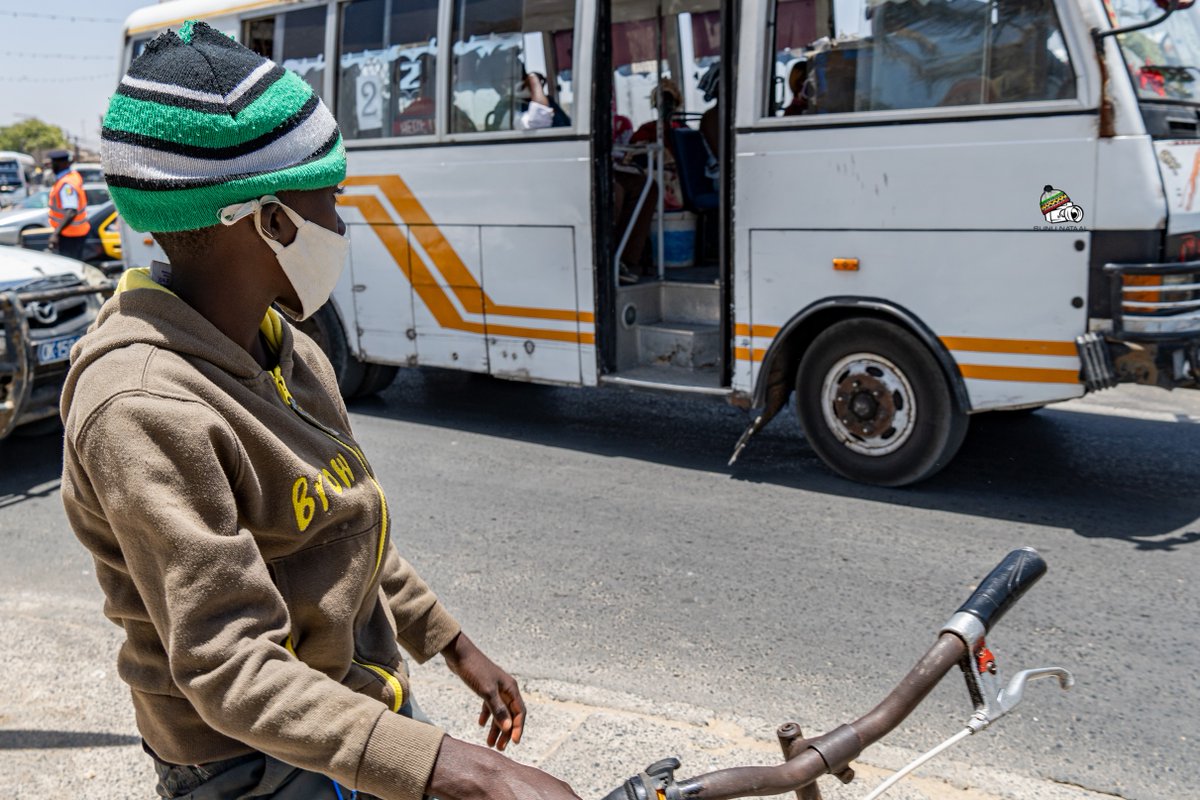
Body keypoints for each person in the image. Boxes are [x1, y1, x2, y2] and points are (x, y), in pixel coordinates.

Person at [60, 21, 580, 800]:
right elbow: (229, 666)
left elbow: (338, 526)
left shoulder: (289, 348)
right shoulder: (143, 408)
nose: (340, 225)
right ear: (269, 221)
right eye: (329, 201)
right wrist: (466, 770)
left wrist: (451, 644)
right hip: (249, 763)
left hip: (346, 710)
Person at [45, 148, 90, 261]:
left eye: (53, 163)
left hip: (71, 235)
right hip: (75, 233)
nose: (51, 166)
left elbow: (71, 211)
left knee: (70, 267)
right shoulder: (72, 176)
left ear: (61, 163)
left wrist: (56, 233)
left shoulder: (67, 184)